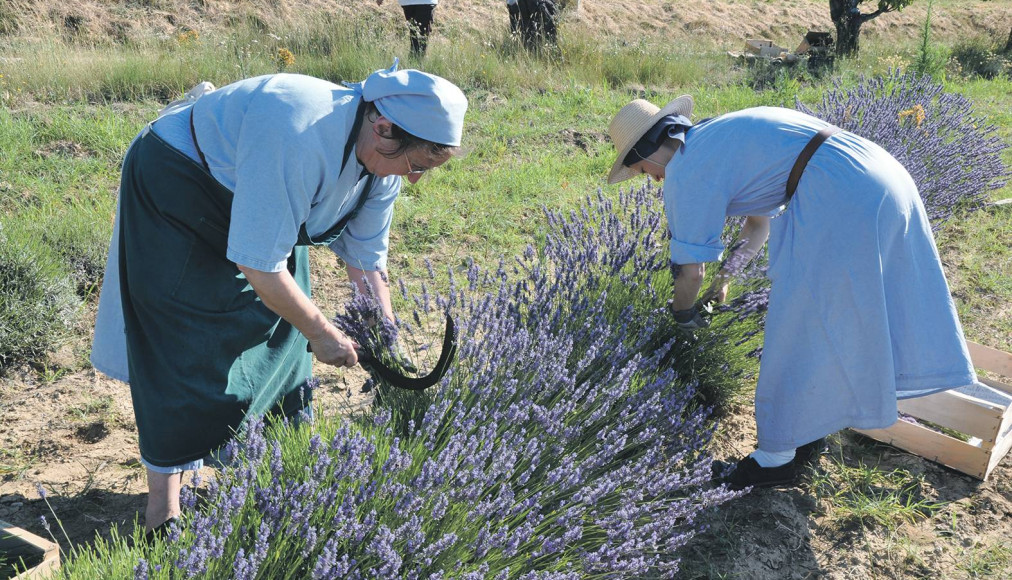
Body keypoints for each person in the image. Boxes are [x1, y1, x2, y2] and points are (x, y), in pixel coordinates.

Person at [91, 61, 467, 532]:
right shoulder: (299, 130)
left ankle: (267, 476)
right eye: (415, 165)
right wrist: (324, 333)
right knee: (182, 343)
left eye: (426, 170)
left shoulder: (384, 162)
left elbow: (368, 263)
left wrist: (384, 334)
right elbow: (260, 265)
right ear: (384, 127)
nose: (414, 178)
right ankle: (162, 512)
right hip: (180, 186)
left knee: (283, 338)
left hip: (261, 200)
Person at [606, 97, 977, 490]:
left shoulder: (685, 169)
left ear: (646, 151)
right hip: (878, 173)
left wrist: (682, 316)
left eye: (640, 170)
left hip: (840, 194)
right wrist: (726, 279)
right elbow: (757, 225)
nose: (650, 179)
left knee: (797, 326)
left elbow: (688, 271)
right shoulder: (715, 137)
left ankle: (774, 460)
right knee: (860, 307)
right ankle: (813, 426)